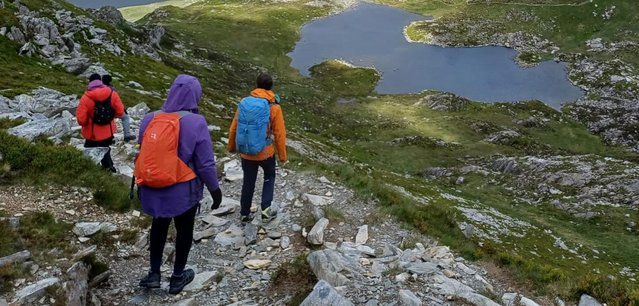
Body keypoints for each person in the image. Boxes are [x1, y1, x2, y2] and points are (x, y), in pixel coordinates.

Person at [136, 74, 223, 295]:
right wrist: (215, 190)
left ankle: (154, 273)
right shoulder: (196, 122)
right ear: (195, 95)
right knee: (185, 230)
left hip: (153, 186)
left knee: (159, 225)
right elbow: (204, 164)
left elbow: (143, 148)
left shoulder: (150, 118)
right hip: (183, 190)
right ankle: (177, 277)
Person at [228, 73, 287, 223]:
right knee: (269, 176)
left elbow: (234, 128)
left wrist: (232, 147)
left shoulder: (244, 103)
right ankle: (266, 210)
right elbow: (279, 134)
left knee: (248, 181)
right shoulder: (274, 107)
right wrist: (282, 157)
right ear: (271, 87)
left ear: (257, 85)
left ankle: (244, 213)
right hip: (265, 152)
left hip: (246, 152)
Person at [76, 73, 125, 172]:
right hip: (108, 131)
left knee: (89, 151)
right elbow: (120, 112)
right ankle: (109, 168)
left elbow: (81, 119)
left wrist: (86, 123)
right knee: (105, 148)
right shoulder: (112, 93)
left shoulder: (86, 97)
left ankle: (88, 170)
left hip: (92, 132)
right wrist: (110, 117)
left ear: (90, 82)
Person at [101, 74, 136, 142]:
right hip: (112, 110)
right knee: (125, 117)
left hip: (100, 111)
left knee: (107, 121)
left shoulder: (98, 89)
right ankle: (127, 135)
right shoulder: (112, 89)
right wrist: (123, 110)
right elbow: (117, 102)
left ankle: (108, 137)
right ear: (110, 81)